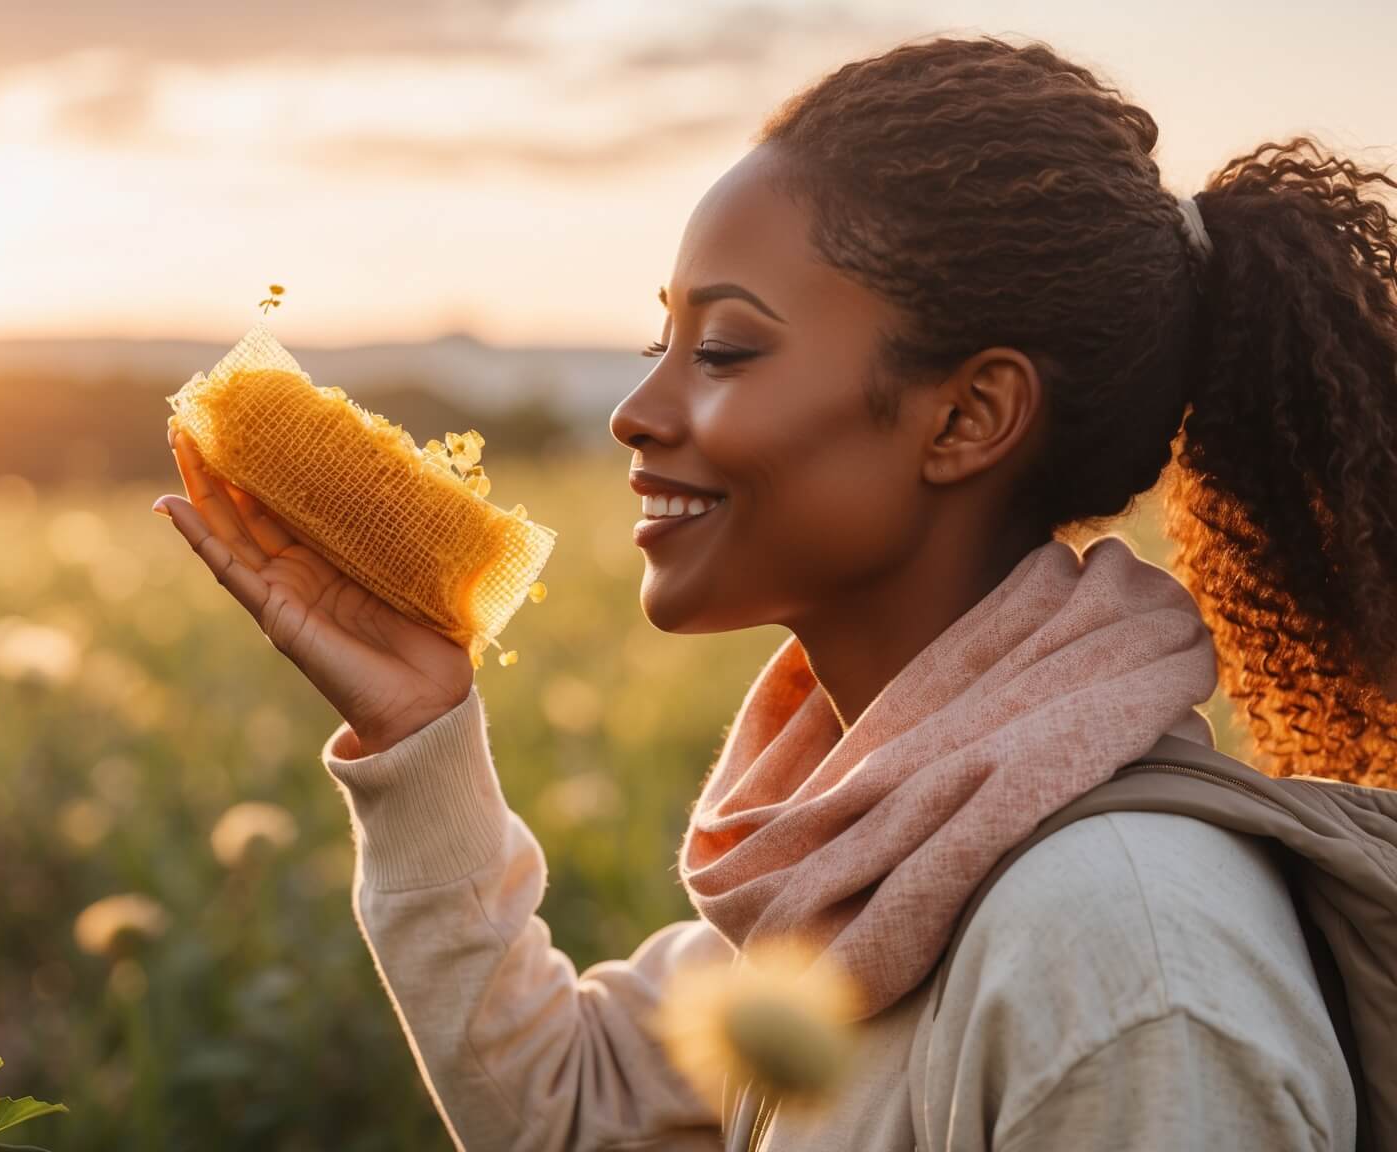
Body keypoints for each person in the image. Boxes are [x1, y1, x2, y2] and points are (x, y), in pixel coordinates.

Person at [153, 33, 1395, 1152]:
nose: (638, 415)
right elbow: (571, 1108)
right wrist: (421, 737)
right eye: (662, 345)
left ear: (967, 416)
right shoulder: (881, 847)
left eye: (727, 350)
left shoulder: (1120, 955)